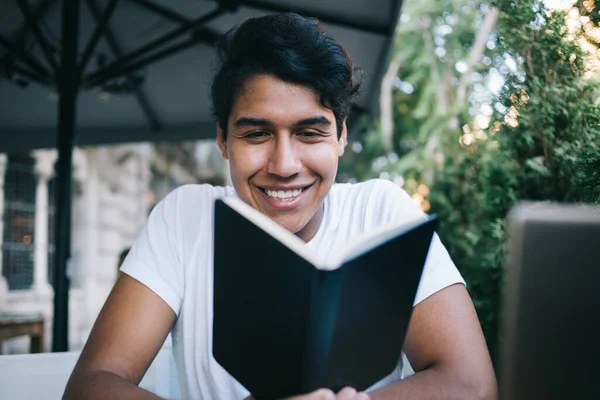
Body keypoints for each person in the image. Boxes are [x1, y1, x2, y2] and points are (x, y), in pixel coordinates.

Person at [63, 13, 497, 400]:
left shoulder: (382, 212)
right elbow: (92, 383)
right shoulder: (184, 219)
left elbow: (472, 385)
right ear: (223, 139)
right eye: (256, 134)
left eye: (310, 133)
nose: (285, 166)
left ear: (341, 136)